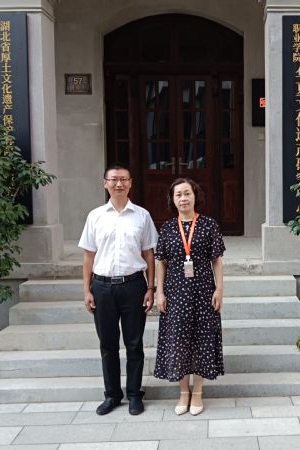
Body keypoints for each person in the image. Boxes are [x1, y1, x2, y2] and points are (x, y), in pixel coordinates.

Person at [78, 164, 157, 416]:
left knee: (134, 344)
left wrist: (151, 288)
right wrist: (87, 290)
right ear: (105, 183)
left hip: (134, 286)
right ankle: (112, 395)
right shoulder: (95, 216)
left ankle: (134, 394)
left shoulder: (142, 216)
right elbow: (88, 256)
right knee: (108, 344)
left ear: (131, 183)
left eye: (123, 179)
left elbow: (149, 254)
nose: (118, 184)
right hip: (102, 287)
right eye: (113, 179)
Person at [153, 178, 225, 416]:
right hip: (175, 293)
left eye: (187, 193)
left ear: (195, 196)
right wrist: (159, 292)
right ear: (172, 199)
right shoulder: (167, 228)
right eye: (178, 195)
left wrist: (219, 289)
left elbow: (217, 260)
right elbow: (162, 262)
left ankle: (198, 392)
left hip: (203, 291)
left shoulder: (208, 225)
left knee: (202, 338)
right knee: (179, 340)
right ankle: (184, 391)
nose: (183, 198)